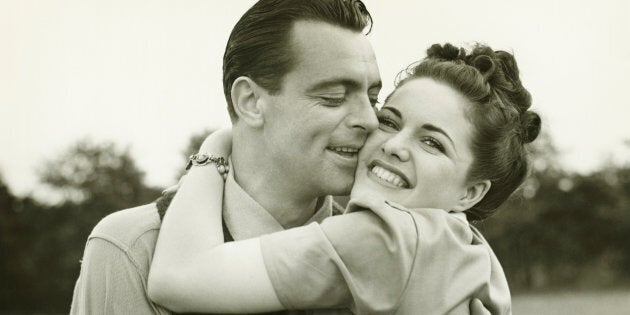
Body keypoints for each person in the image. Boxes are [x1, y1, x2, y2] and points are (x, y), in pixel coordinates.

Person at [148, 43, 541, 314]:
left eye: (432, 143)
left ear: (470, 193)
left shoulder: (385, 239)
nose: (394, 146)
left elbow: (176, 278)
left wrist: (215, 149)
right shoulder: (469, 250)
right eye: (389, 121)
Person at [70, 0, 381, 313]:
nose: (369, 120)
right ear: (250, 101)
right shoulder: (131, 249)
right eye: (334, 98)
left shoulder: (377, 263)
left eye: (373, 99)